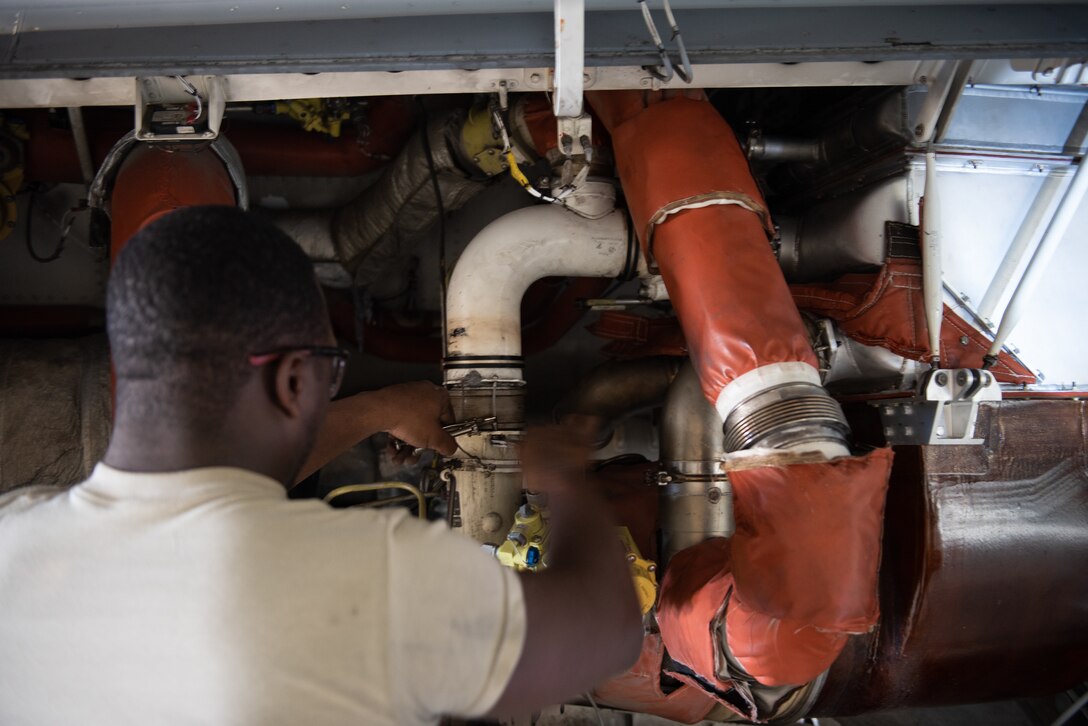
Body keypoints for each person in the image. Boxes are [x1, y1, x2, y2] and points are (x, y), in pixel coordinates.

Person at [0, 205, 642, 725]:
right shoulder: (373, 575)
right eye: (328, 372)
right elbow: (605, 630)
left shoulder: (11, 542)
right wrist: (566, 478)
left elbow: (208, 490)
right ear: (291, 381)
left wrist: (376, 409)